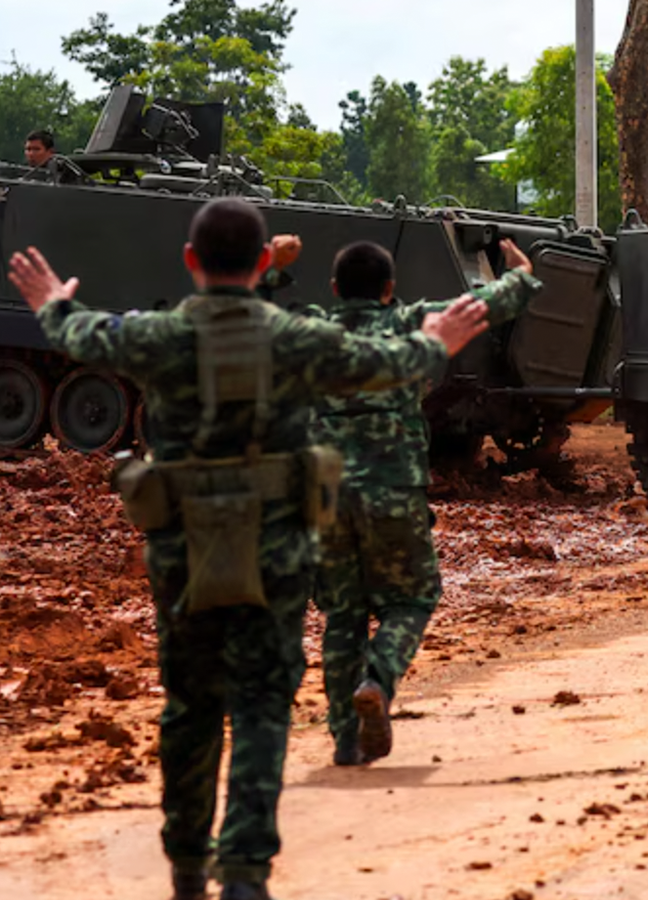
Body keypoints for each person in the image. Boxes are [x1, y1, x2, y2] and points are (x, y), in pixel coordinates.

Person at [6, 198, 491, 900]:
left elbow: (83, 333)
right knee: (263, 705)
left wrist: (50, 301)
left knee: (190, 706)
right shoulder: (294, 338)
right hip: (279, 551)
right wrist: (437, 339)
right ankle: (244, 872)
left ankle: (185, 866)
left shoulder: (160, 336)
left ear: (190, 262)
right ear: (265, 262)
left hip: (183, 552)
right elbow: (382, 361)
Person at [305, 238, 543, 766]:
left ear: (335, 290)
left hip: (325, 497)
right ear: (390, 290)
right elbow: (485, 307)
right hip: (393, 490)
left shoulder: (314, 333)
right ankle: (378, 679)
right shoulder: (409, 323)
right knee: (412, 598)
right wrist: (521, 275)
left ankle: (346, 738)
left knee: (342, 615)